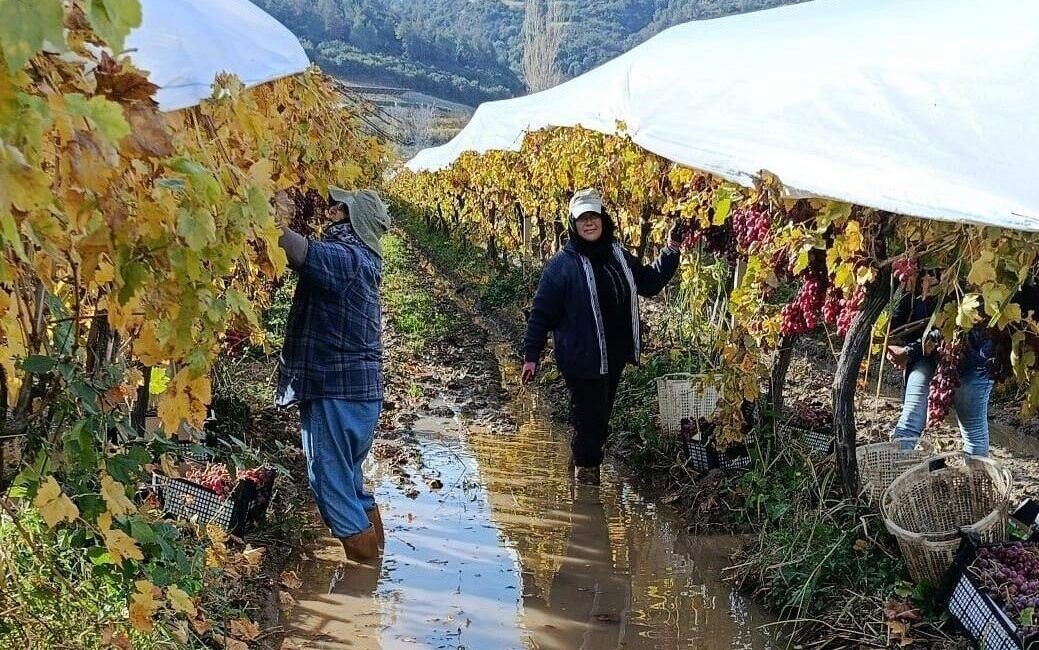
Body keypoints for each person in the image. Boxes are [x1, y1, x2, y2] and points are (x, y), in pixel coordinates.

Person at [521, 188, 683, 484]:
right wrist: (531, 356)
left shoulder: (618, 256)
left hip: (614, 355)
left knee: (597, 418)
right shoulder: (562, 266)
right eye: (583, 219)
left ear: (603, 218)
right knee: (592, 421)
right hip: (581, 358)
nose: (589, 223)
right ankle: (586, 488)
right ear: (573, 224)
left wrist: (670, 249)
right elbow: (541, 313)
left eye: (593, 216)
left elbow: (649, 283)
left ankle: (579, 461)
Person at [276, 186, 391, 561]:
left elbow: (296, 250)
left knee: (333, 489)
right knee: (351, 483)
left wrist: (263, 212)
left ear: (351, 218)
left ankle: (366, 582)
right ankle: (381, 558)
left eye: (340, 208)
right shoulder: (365, 260)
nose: (331, 211)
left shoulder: (347, 258)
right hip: (360, 394)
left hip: (335, 391)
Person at [886, 270, 995, 456]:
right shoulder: (916, 271)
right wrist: (894, 344)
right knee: (910, 424)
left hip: (972, 362)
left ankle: (973, 481)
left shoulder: (968, 275)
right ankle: (893, 478)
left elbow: (949, 331)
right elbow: (898, 316)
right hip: (932, 359)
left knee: (971, 433)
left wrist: (908, 351)